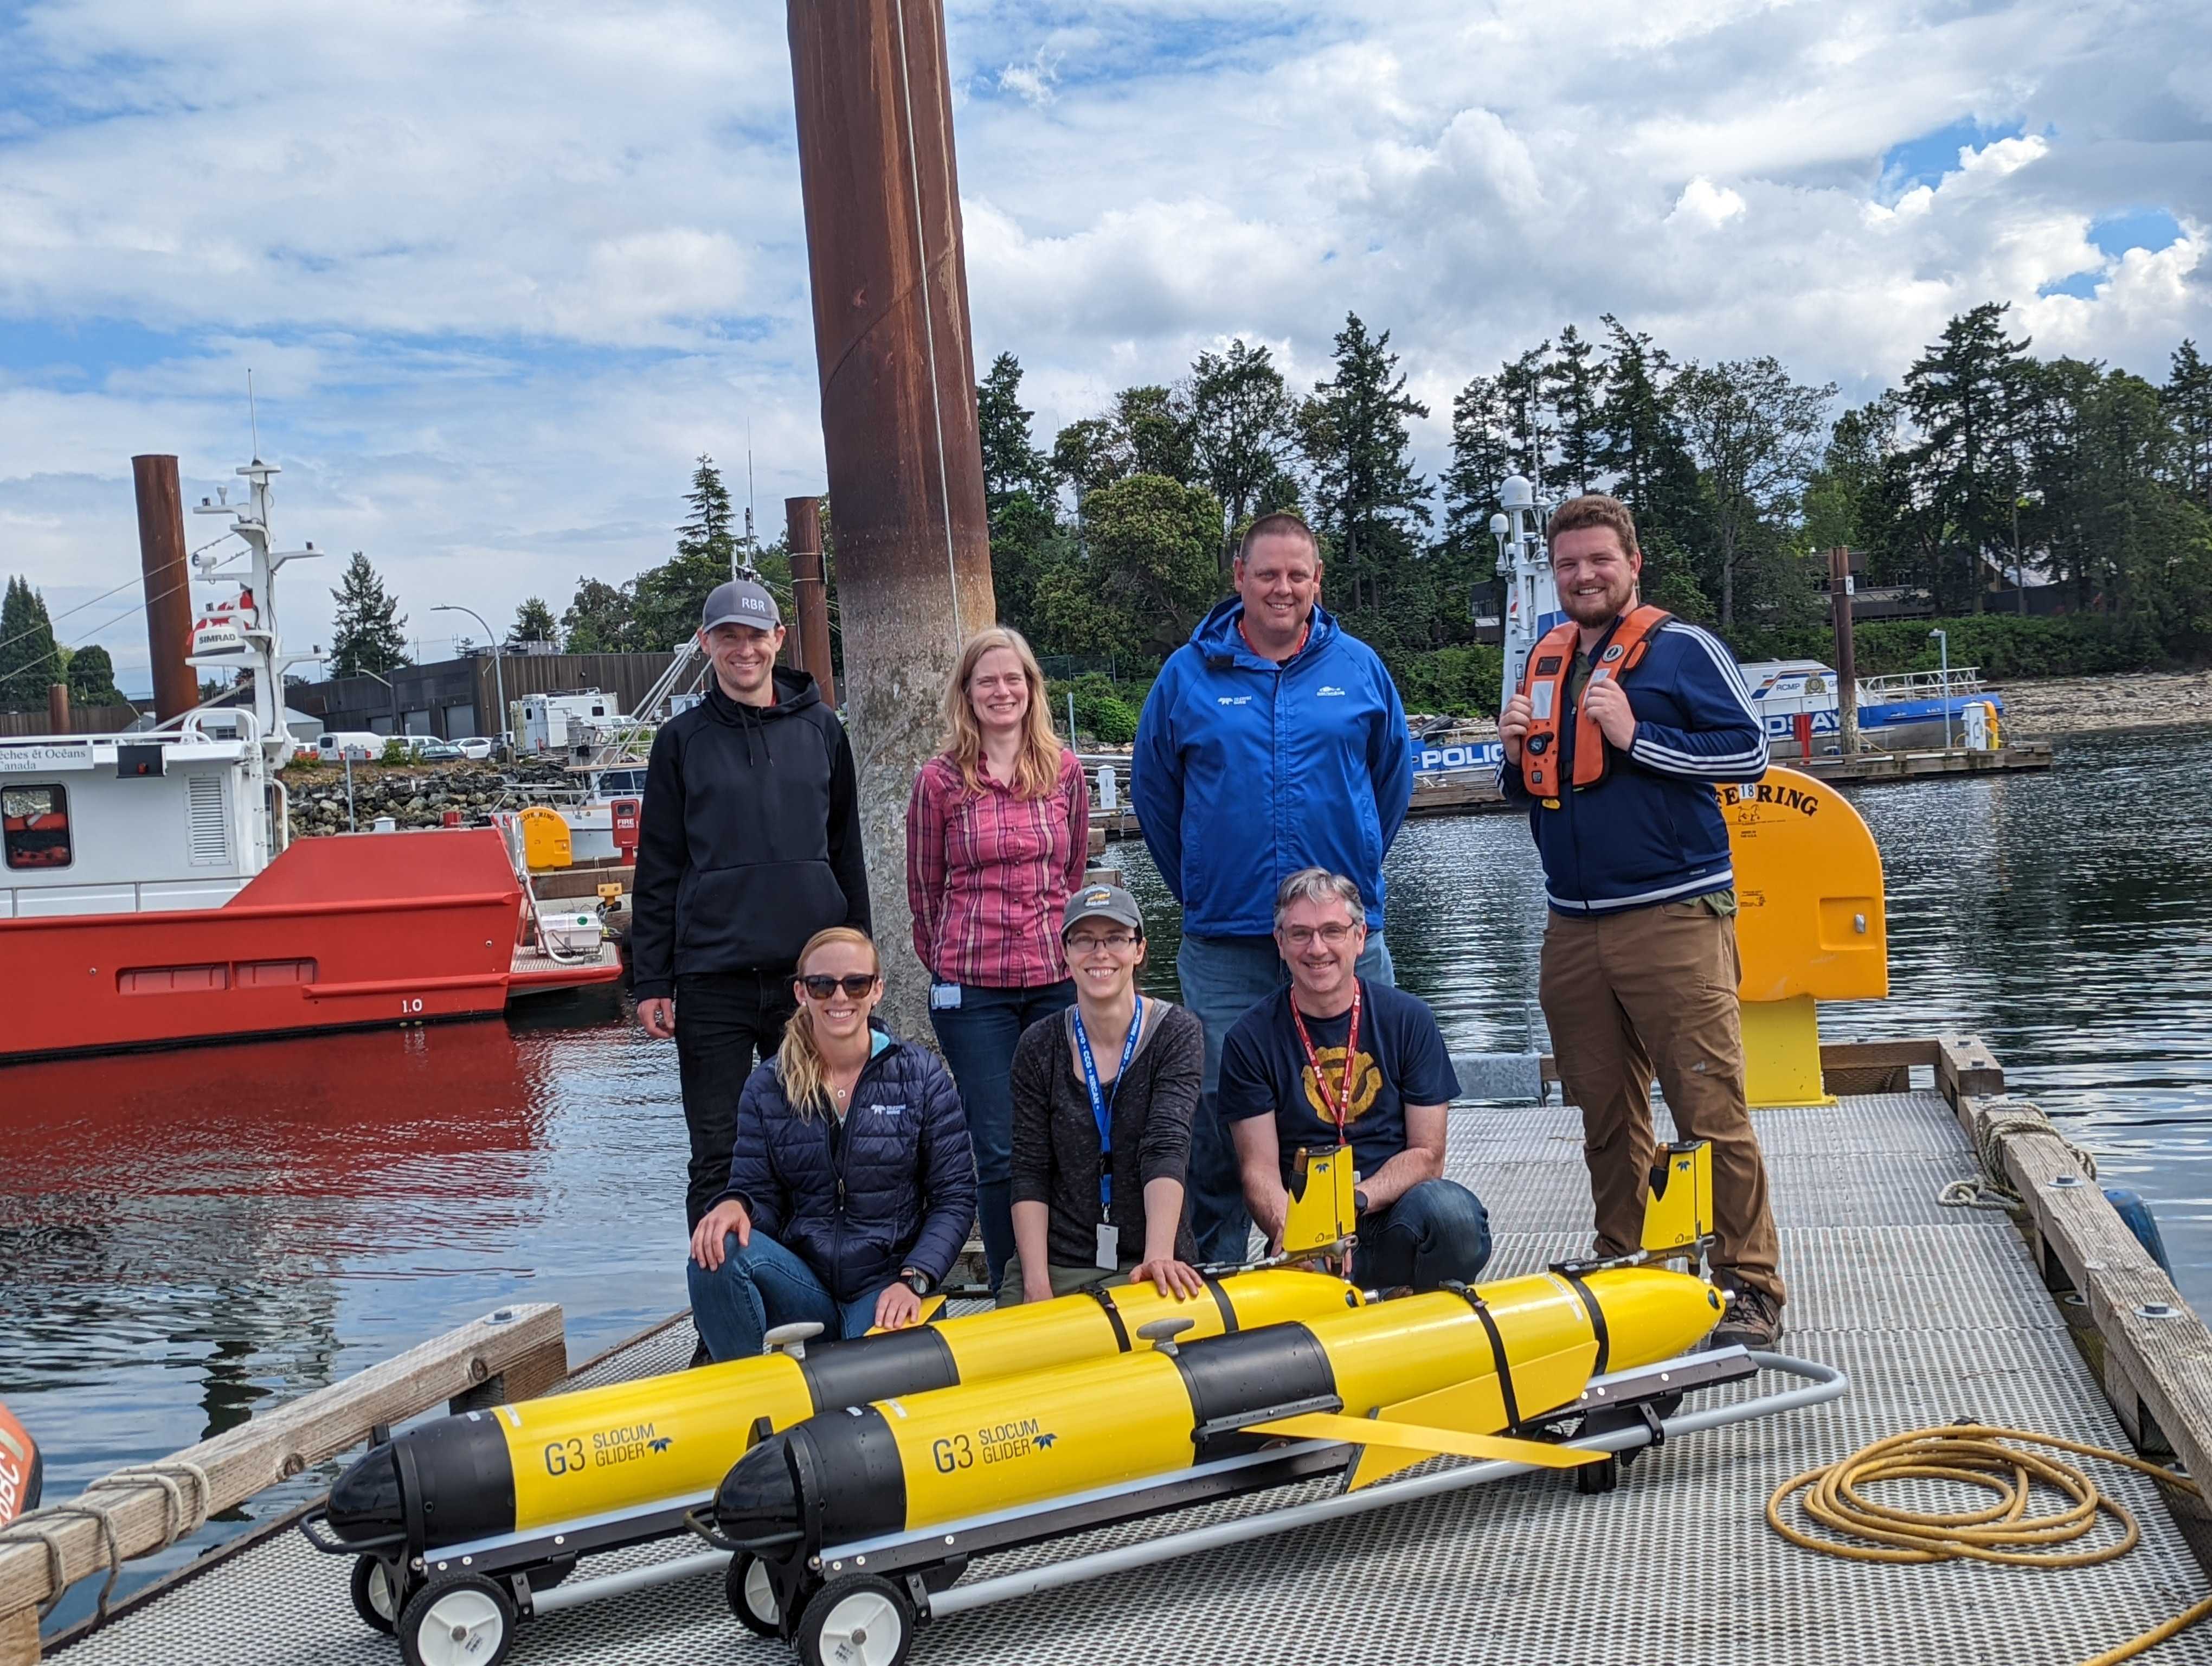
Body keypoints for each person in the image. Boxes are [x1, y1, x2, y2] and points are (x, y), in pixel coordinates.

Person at [1497, 492, 1784, 1349]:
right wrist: (1515, 756)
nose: (1584, 575)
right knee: (1605, 1114)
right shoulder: (1544, 660)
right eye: (1570, 564)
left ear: (1633, 563)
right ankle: (1627, 1268)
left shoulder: (1682, 649)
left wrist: (1635, 733)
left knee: (1710, 1108)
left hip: (1672, 915)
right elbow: (1535, 793)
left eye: (1599, 560)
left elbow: (1751, 753)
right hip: (1572, 925)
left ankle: (1751, 1287)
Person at [1131, 512, 1411, 1264]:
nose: (1282, 588)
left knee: (1362, 1103)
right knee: (1223, 1114)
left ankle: (1372, 1259)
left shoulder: (1358, 668)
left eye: (1298, 574)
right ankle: (1220, 1275)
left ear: (1317, 580)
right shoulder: (1187, 676)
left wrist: (1342, 892)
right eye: (1267, 574)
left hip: (1343, 940)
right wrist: (1203, 882)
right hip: (1225, 941)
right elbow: (1155, 798)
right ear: (1239, 578)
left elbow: (1390, 784)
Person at [631, 576, 871, 1230]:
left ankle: (816, 1305)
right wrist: (651, 978)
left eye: (756, 635)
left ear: (779, 640)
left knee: (816, 1148)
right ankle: (726, 1323)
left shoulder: (824, 730)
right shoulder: (679, 743)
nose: (745, 650)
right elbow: (658, 868)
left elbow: (846, 851)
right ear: (706, 643)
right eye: (729, 637)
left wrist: (859, 969)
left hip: (812, 984)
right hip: (712, 982)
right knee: (719, 1157)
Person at [686, 928, 976, 1361]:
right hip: (804, 1283)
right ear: (802, 993)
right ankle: (743, 1391)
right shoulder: (768, 1084)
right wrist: (736, 1205)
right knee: (715, 1247)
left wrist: (916, 1277)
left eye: (855, 983)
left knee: (878, 1382)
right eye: (823, 985)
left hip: (887, 1282)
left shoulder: (921, 1075)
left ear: (877, 990)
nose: (840, 998)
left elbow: (954, 1196)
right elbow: (758, 1193)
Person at [906, 626, 1091, 1291]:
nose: (1001, 691)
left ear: (1032, 687)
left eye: (1013, 679)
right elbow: (924, 890)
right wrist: (951, 964)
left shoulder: (1066, 774)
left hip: (1055, 984)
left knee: (1067, 1133)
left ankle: (1071, 1270)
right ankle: (1015, 1284)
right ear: (967, 693)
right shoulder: (939, 782)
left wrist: (1069, 959)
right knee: (999, 1145)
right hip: (974, 991)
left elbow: (1072, 874)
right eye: (987, 680)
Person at [1219, 869, 1490, 1292]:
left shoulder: (1409, 1020)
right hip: (1307, 1230)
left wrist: (1351, 1203)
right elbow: (1258, 1170)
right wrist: (1293, 1230)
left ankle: (1419, 1309)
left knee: (1454, 1216)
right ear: (1280, 944)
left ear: (1360, 937)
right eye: (1300, 934)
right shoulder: (1248, 1039)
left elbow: (1428, 1155)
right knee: (1305, 1263)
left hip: (1393, 1212)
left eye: (1332, 931)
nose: (1317, 948)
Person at [1002, 883, 1207, 1305]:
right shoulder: (1038, 1045)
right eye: (1085, 940)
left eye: (1115, 938)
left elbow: (1167, 1144)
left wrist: (1158, 1259)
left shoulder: (1177, 1032)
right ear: (1065, 953)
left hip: (1147, 1254)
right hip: (1058, 1260)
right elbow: (1030, 1168)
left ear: (1139, 949)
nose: (1100, 953)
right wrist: (1036, 1284)